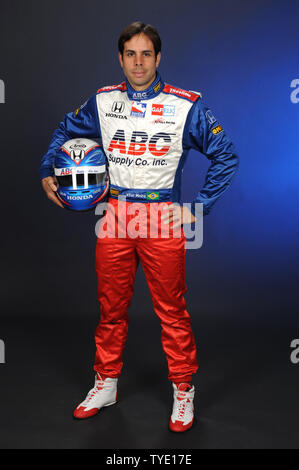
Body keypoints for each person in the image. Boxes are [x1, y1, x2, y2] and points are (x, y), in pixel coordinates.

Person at [40, 22, 239, 432]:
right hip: (113, 216)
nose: (138, 62)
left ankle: (183, 390)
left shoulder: (185, 105)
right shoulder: (103, 101)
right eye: (130, 54)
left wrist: (197, 208)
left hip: (161, 218)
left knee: (172, 311)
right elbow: (64, 131)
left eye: (146, 53)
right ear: (120, 58)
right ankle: (106, 383)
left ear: (158, 57)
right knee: (110, 309)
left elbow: (226, 155)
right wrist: (47, 170)